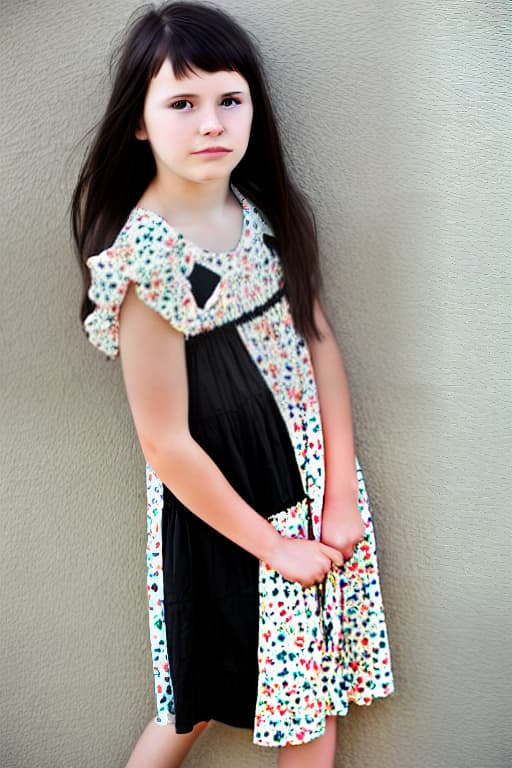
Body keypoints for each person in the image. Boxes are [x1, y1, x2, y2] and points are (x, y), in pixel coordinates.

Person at [71, 2, 395, 766]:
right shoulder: (144, 263)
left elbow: (318, 345)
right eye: (182, 103)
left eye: (229, 99)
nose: (211, 122)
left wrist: (341, 494)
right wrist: (273, 546)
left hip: (309, 486)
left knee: (309, 696)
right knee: (194, 704)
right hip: (227, 512)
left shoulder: (264, 211)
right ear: (141, 122)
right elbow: (166, 441)